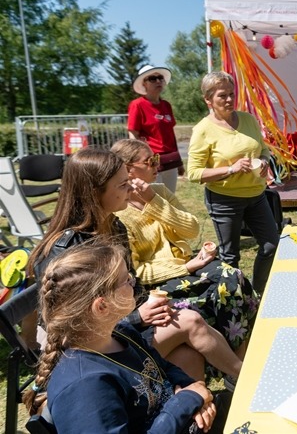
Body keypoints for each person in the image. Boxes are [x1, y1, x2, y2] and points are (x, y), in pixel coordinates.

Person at [29, 147, 243, 383]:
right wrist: (138, 316)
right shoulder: (67, 251)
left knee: (188, 355)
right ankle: (248, 380)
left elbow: (131, 284)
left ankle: (192, 410)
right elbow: (73, 329)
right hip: (82, 353)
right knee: (190, 321)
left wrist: (149, 306)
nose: (131, 188)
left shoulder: (114, 226)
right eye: (122, 185)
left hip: (115, 330)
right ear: (94, 192)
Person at [24, 242, 217, 433]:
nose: (134, 282)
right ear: (102, 307)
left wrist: (191, 388)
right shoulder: (86, 387)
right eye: (127, 280)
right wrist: (187, 400)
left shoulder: (120, 334)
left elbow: (162, 368)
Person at [112, 139, 258, 356]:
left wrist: (153, 200)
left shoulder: (158, 191)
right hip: (158, 281)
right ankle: (235, 362)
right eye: (150, 161)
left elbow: (191, 229)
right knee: (224, 285)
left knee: (234, 276)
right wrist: (187, 267)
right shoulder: (118, 212)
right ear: (128, 169)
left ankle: (244, 353)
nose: (157, 166)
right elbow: (138, 271)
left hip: (186, 265)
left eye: (156, 159)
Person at [187, 71, 279, 295]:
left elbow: (263, 149)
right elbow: (194, 173)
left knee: (271, 245)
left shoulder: (247, 119)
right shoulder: (202, 130)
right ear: (208, 100)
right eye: (222, 96)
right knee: (230, 256)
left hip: (257, 195)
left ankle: (257, 294)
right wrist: (231, 169)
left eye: (231, 94)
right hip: (224, 200)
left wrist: (265, 161)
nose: (229, 99)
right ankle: (234, 302)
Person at [128, 65, 183, 193]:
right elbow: (133, 135)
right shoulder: (138, 105)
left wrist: (179, 161)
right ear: (144, 84)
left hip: (170, 160)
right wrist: (140, 162)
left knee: (170, 198)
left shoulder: (166, 105)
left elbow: (170, 134)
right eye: (152, 78)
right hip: (151, 161)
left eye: (160, 78)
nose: (158, 81)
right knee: (153, 199)